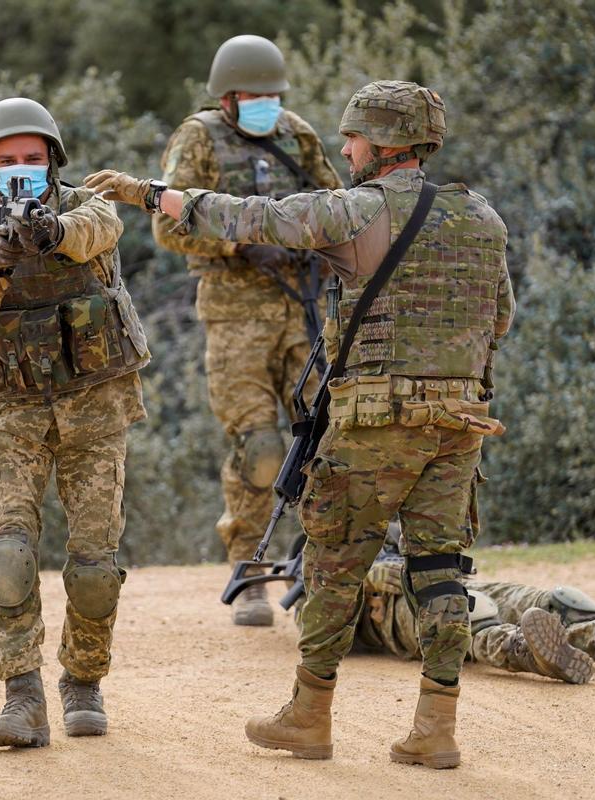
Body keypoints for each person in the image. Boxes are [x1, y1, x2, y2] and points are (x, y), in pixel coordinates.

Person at [86, 79, 515, 769]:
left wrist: (151, 194)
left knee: (334, 566)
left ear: (384, 144)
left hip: (376, 419)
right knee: (440, 570)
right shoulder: (484, 218)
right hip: (463, 421)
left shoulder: (353, 212)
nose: (344, 149)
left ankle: (309, 717)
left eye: (353, 139)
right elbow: (499, 318)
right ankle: (436, 728)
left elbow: (250, 218)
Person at [0, 97, 150, 747]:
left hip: (97, 405)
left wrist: (51, 234)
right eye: (9, 162)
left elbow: (98, 233)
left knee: (92, 564)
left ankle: (83, 681)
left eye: (33, 159)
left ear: (53, 161)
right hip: (19, 410)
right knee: (8, 553)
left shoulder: (90, 204)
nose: (22, 170)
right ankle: (22, 695)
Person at [152, 34, 342, 627]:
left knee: (328, 441)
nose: (266, 103)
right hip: (236, 317)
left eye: (272, 94)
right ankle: (251, 572)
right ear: (227, 96)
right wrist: (237, 241)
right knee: (260, 450)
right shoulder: (200, 138)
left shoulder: (297, 134)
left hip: (305, 311)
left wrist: (313, 246)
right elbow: (169, 225)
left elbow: (340, 206)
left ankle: (324, 569)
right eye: (253, 95)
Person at [357, 549, 595, 683]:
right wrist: (366, 575)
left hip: (444, 577)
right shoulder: (314, 560)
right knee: (471, 616)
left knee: (558, 602)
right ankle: (532, 654)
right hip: (388, 611)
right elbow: (316, 611)